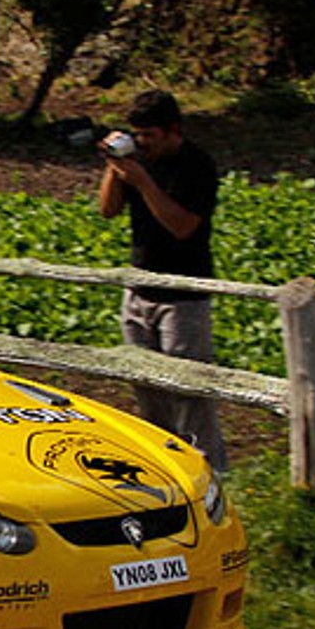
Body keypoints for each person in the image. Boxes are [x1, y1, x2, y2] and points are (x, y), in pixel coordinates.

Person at [96, 90, 227, 471]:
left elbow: (183, 226)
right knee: (146, 386)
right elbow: (108, 210)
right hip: (139, 288)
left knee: (189, 390)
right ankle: (165, 465)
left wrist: (144, 183)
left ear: (174, 131)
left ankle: (211, 470)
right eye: (137, 135)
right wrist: (114, 166)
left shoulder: (197, 165)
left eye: (150, 135)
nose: (142, 143)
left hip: (184, 294)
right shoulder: (138, 160)